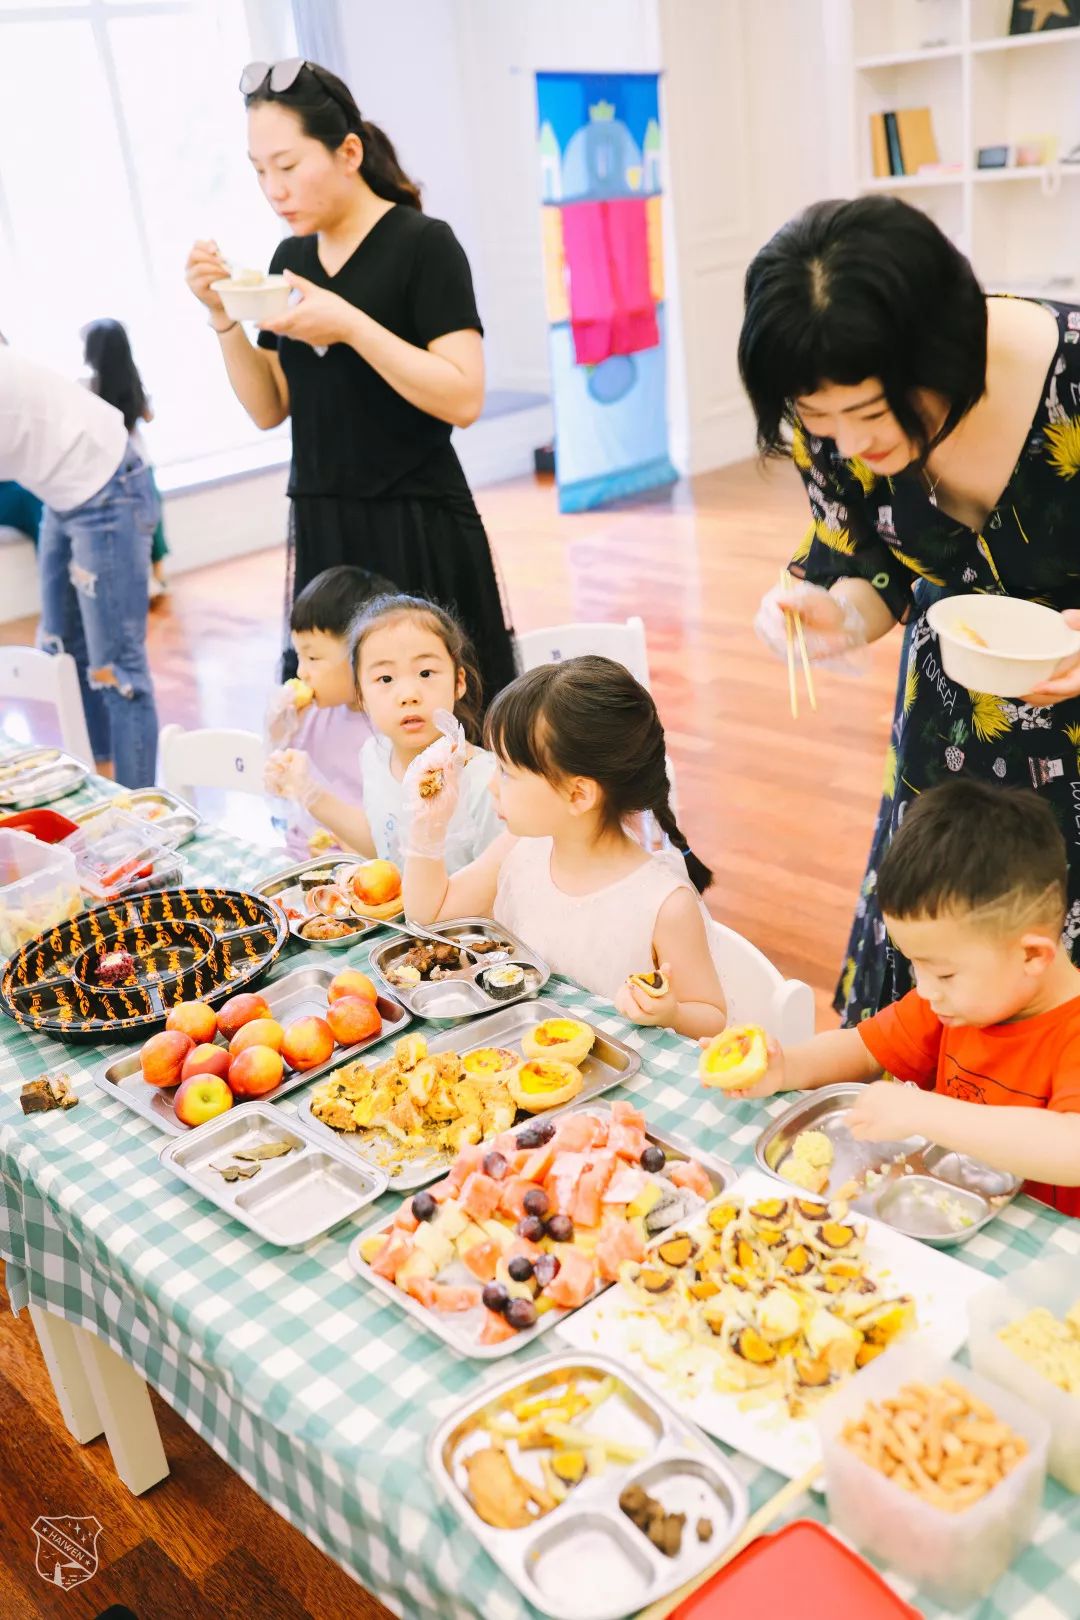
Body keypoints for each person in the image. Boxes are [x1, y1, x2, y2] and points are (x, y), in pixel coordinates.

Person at [738, 195, 1080, 1023]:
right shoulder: (827, 418)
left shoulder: (1069, 378)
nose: (849, 444)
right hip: (950, 733)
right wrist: (841, 615)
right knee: (945, 972)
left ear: (944, 352)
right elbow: (873, 567)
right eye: (817, 420)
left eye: (867, 414)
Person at [183, 58, 516, 705]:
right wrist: (222, 317)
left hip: (416, 520)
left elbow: (464, 396)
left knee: (439, 719)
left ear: (349, 153)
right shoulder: (291, 258)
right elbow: (269, 407)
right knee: (336, 717)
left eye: (287, 165)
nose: (273, 189)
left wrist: (350, 326)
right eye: (259, 171)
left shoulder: (423, 244)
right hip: (324, 522)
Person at [725, 780, 1080, 1218]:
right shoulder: (952, 1002)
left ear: (1032, 956)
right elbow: (863, 1048)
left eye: (944, 972)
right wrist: (785, 1067)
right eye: (916, 965)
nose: (925, 989)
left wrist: (926, 1112)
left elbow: (1071, 1147)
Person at [401, 656, 728, 1036]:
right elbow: (430, 919)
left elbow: (712, 1016)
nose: (491, 784)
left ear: (578, 794)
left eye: (507, 771)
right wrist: (428, 826)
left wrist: (670, 1013)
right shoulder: (520, 848)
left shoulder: (663, 904)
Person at [0, 342, 159, 787]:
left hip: (107, 485)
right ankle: (100, 782)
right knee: (62, 648)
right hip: (59, 492)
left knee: (118, 669)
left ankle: (135, 807)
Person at [266, 593, 503, 868]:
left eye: (426, 673)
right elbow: (385, 848)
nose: (408, 695)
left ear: (459, 682)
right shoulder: (375, 755)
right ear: (361, 695)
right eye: (386, 678)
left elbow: (500, 883)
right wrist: (307, 790)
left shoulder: (486, 781)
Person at [263, 563, 393, 858]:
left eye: (313, 658)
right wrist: (278, 733)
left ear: (362, 655)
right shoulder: (312, 714)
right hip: (300, 855)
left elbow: (387, 839)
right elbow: (285, 795)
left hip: (359, 867)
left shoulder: (389, 730)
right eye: (299, 656)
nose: (301, 672)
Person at [82, 319, 169, 598]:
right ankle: (158, 577)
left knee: (122, 526)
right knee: (151, 520)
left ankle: (133, 583)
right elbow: (148, 416)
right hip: (140, 462)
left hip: (107, 468)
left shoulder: (86, 387)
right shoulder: (134, 381)